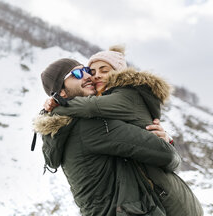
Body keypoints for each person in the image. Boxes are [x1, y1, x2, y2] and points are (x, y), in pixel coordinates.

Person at [40, 47, 203, 215]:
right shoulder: (89, 126)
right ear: (61, 92)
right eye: (78, 74)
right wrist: (166, 143)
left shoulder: (67, 128)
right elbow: (167, 156)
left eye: (85, 70)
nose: (90, 76)